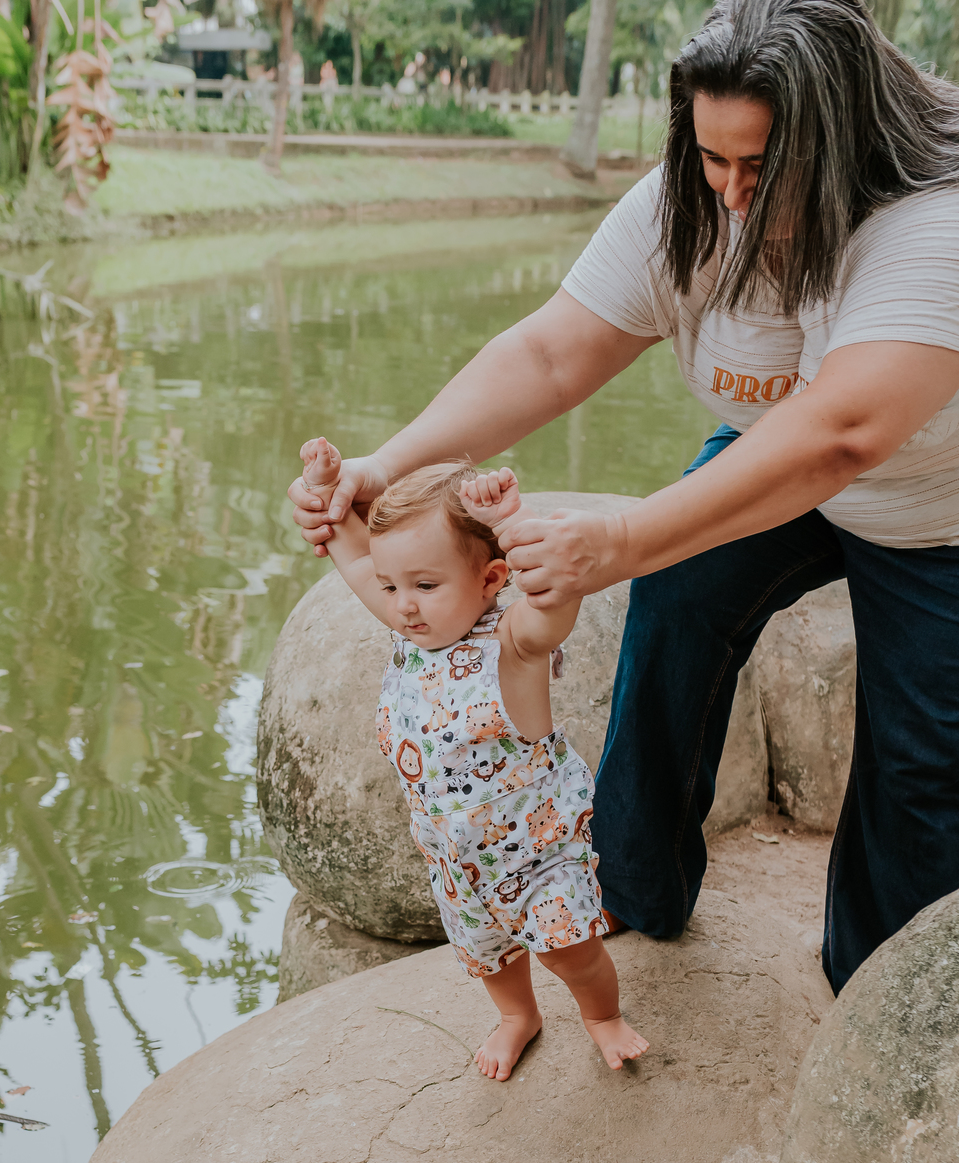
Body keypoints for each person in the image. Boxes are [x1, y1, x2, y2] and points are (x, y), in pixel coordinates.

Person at [288, 0, 959, 996]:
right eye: (709, 159)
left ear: (839, 136)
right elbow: (554, 351)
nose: (729, 195)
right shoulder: (687, 202)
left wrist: (620, 536)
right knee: (675, 602)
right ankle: (636, 891)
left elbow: (843, 435)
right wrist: (387, 467)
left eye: (760, 167)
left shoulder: (931, 216)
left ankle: (872, 998)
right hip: (776, 449)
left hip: (933, 508)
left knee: (921, 768)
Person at [298, 437, 650, 1077]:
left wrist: (511, 526)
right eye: (391, 585)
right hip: (456, 857)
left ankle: (603, 1017)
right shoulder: (417, 626)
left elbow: (553, 609)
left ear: (489, 578)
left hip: (538, 856)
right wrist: (326, 492)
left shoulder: (512, 643)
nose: (401, 604)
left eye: (425, 584)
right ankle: (519, 1016)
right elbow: (352, 559)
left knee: (572, 951)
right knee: (486, 951)